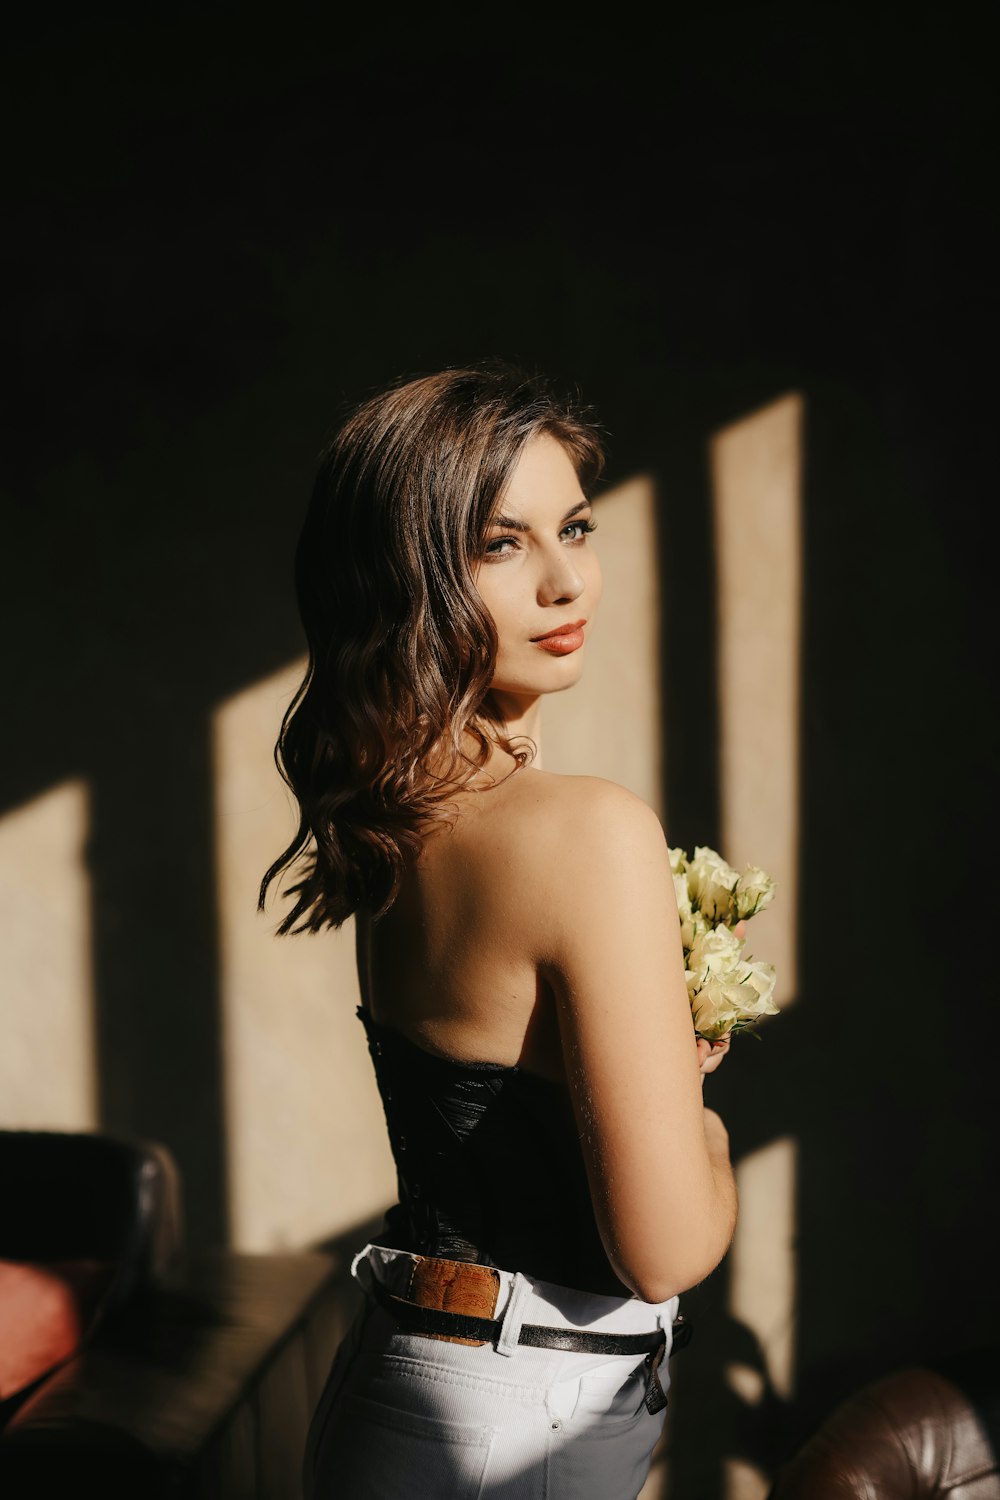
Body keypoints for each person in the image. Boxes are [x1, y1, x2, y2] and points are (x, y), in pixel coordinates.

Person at [259, 361, 737, 1499]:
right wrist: (700, 1122)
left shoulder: (394, 820)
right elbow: (667, 1249)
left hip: (413, 1387)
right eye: (499, 545)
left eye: (574, 525)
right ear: (404, 577)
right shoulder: (586, 832)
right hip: (508, 1427)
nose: (567, 581)